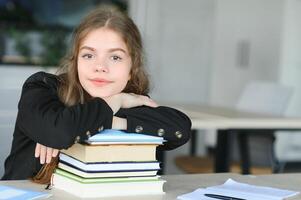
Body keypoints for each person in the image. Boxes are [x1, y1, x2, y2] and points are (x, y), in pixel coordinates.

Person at [1, 7, 191, 181]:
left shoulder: (132, 100)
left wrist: (107, 118)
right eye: (89, 55)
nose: (100, 67)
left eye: (115, 57)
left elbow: (180, 129)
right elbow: (60, 132)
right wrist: (115, 103)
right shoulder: (42, 87)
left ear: (132, 68)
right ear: (76, 61)